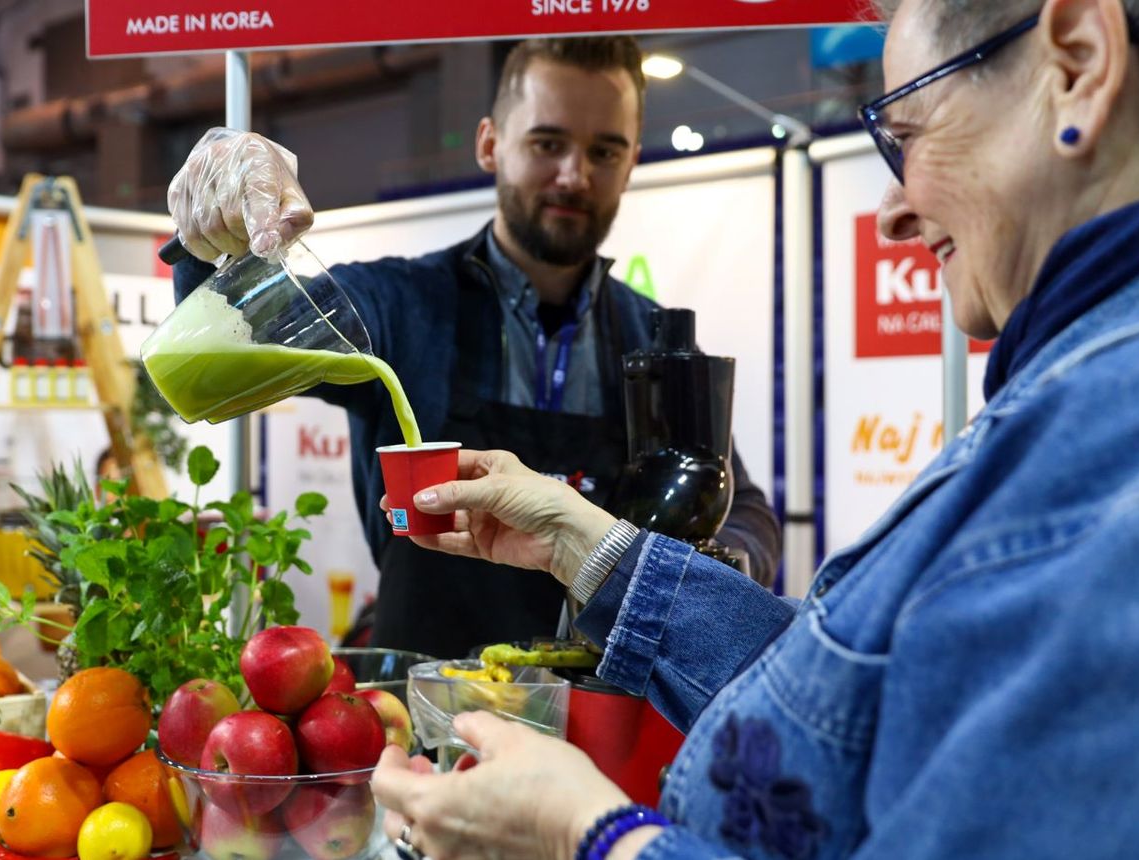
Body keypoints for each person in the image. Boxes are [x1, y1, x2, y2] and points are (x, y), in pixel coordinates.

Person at [367, 0, 1139, 857]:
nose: (894, 211)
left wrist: (592, 834)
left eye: (907, 131)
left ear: (1078, 60)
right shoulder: (1128, 387)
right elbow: (863, 703)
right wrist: (589, 548)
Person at [166, 37, 781, 660]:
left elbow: (743, 506)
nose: (575, 174)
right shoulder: (400, 303)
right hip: (421, 714)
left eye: (604, 150)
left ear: (630, 163)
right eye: (548, 143)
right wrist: (211, 230)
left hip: (591, 717)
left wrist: (716, 570)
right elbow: (243, 329)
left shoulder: (651, 341)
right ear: (490, 144)